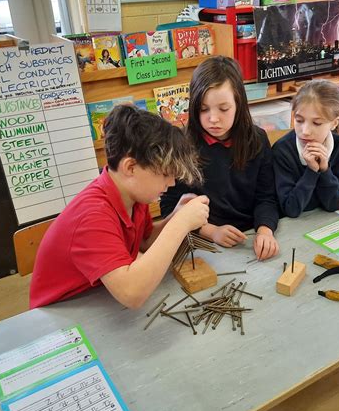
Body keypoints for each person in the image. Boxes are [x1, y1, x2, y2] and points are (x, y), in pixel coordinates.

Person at [30, 105, 209, 310]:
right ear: (130, 167)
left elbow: (144, 242)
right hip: (61, 315)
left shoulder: (134, 197)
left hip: (98, 300)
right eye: (164, 174)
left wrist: (174, 216)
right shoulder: (92, 216)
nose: (170, 183)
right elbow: (132, 294)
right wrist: (180, 224)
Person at [160, 56, 279, 261]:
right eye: (203, 109)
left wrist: (265, 231)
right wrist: (212, 231)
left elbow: (266, 197)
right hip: (203, 239)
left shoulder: (257, 139)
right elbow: (170, 208)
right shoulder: (183, 144)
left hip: (250, 236)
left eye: (224, 109)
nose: (213, 118)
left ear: (239, 104)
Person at [272, 80, 339, 218]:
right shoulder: (282, 150)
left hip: (323, 222)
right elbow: (290, 209)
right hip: (290, 225)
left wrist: (325, 170)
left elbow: (336, 204)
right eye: (299, 120)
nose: (305, 131)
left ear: (334, 123)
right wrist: (312, 171)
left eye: (317, 123)